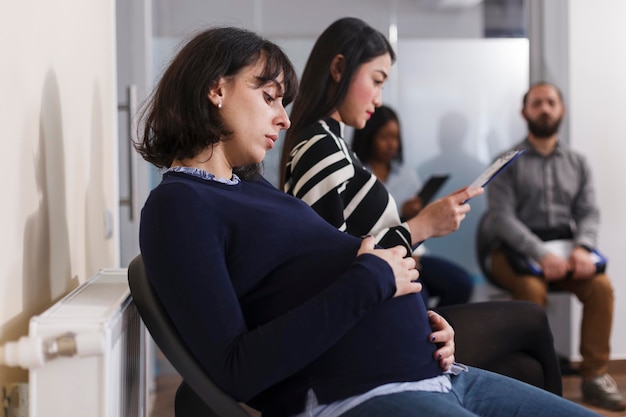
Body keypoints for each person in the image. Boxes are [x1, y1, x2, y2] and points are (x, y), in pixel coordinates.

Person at [134, 25, 601, 417]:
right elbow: (235, 367)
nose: (282, 118)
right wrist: (372, 277)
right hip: (364, 392)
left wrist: (422, 324)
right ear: (216, 89)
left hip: (435, 373)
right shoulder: (179, 206)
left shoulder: (250, 188)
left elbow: (314, 286)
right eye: (270, 96)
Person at [276, 17, 565, 394]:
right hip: (372, 337)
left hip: (388, 320)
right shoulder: (320, 147)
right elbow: (334, 270)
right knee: (530, 320)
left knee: (525, 368)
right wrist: (422, 226)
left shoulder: (333, 144)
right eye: (377, 80)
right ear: (338, 69)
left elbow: (349, 251)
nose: (379, 98)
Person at [479, 81, 625, 412]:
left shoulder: (578, 162)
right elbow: (501, 217)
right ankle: (534, 381)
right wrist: (539, 253)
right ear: (524, 112)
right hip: (513, 252)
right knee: (532, 289)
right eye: (537, 103)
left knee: (601, 287)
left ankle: (595, 376)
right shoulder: (506, 161)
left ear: (561, 110)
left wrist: (583, 248)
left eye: (550, 102)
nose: (544, 109)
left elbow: (589, 212)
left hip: (565, 250)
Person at [351, 104, 474, 307]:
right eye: (384, 137)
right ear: (368, 137)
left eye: (396, 138)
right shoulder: (357, 175)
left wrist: (418, 213)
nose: (392, 144)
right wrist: (402, 213)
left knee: (461, 283)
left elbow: (422, 221)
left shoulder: (407, 175)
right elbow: (361, 227)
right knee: (418, 298)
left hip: (415, 250)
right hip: (381, 254)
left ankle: (440, 331)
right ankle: (423, 332)